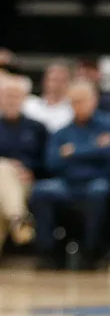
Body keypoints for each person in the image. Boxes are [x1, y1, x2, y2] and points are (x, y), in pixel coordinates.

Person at [30, 79, 110, 269]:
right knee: (41, 191)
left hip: (97, 181)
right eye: (74, 101)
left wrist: (73, 152)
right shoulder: (62, 131)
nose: (78, 105)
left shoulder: (109, 126)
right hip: (67, 182)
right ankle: (49, 252)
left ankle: (91, 251)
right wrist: (94, 149)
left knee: (98, 192)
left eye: (82, 100)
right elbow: (52, 162)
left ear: (94, 100)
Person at [0, 73, 46, 253]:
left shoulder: (37, 128)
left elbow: (47, 160)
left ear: (24, 99)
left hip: (26, 181)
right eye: (7, 95)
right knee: (2, 169)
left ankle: (17, 218)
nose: (11, 100)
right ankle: (19, 218)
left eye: (15, 96)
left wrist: (31, 170)